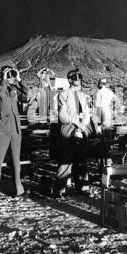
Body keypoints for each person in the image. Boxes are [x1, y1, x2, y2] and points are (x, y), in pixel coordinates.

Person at [0, 65, 28, 203]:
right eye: (8, 74)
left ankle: (18, 189)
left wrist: (19, 80)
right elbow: (0, 94)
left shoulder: (14, 88)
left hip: (15, 128)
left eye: (12, 74)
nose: (11, 76)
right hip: (2, 128)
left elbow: (27, 94)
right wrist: (4, 78)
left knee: (16, 161)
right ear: (3, 74)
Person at [53, 69, 91, 198]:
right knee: (66, 159)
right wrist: (76, 123)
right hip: (69, 128)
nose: (78, 79)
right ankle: (60, 189)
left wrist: (83, 125)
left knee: (82, 159)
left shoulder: (83, 96)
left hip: (81, 129)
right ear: (69, 80)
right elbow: (63, 115)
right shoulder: (63, 94)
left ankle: (83, 186)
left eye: (79, 77)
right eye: (75, 77)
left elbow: (86, 113)